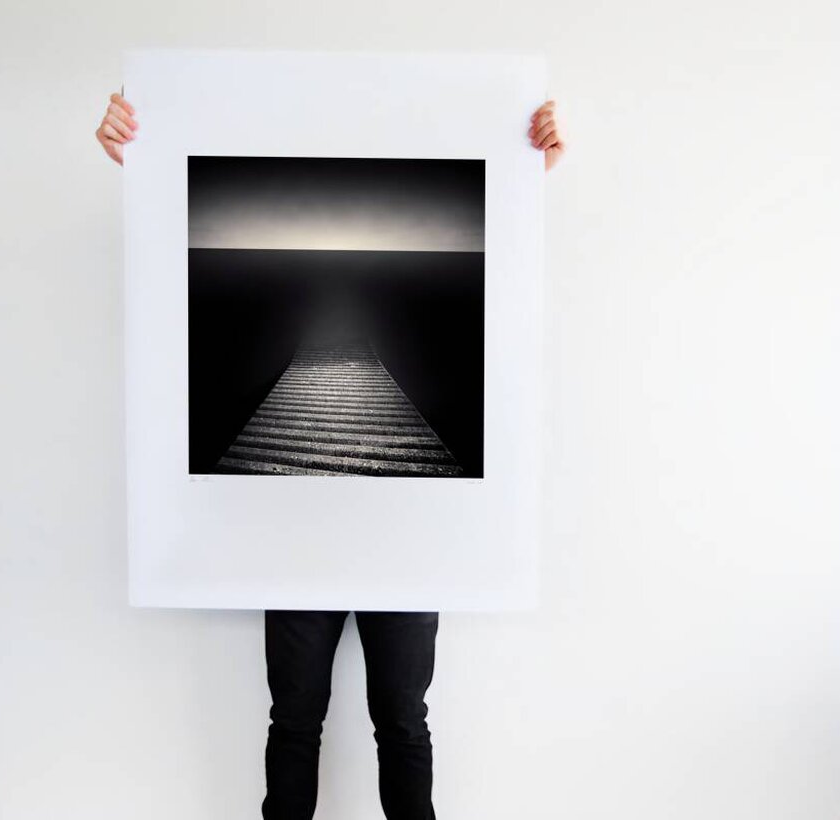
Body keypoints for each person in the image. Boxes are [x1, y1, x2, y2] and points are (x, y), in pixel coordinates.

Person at [96, 88, 565, 820]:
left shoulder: (412, 274)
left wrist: (520, 167)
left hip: (407, 535)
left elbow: (496, 261)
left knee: (398, 725)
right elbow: (173, 245)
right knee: (301, 725)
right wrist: (139, 151)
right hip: (298, 532)